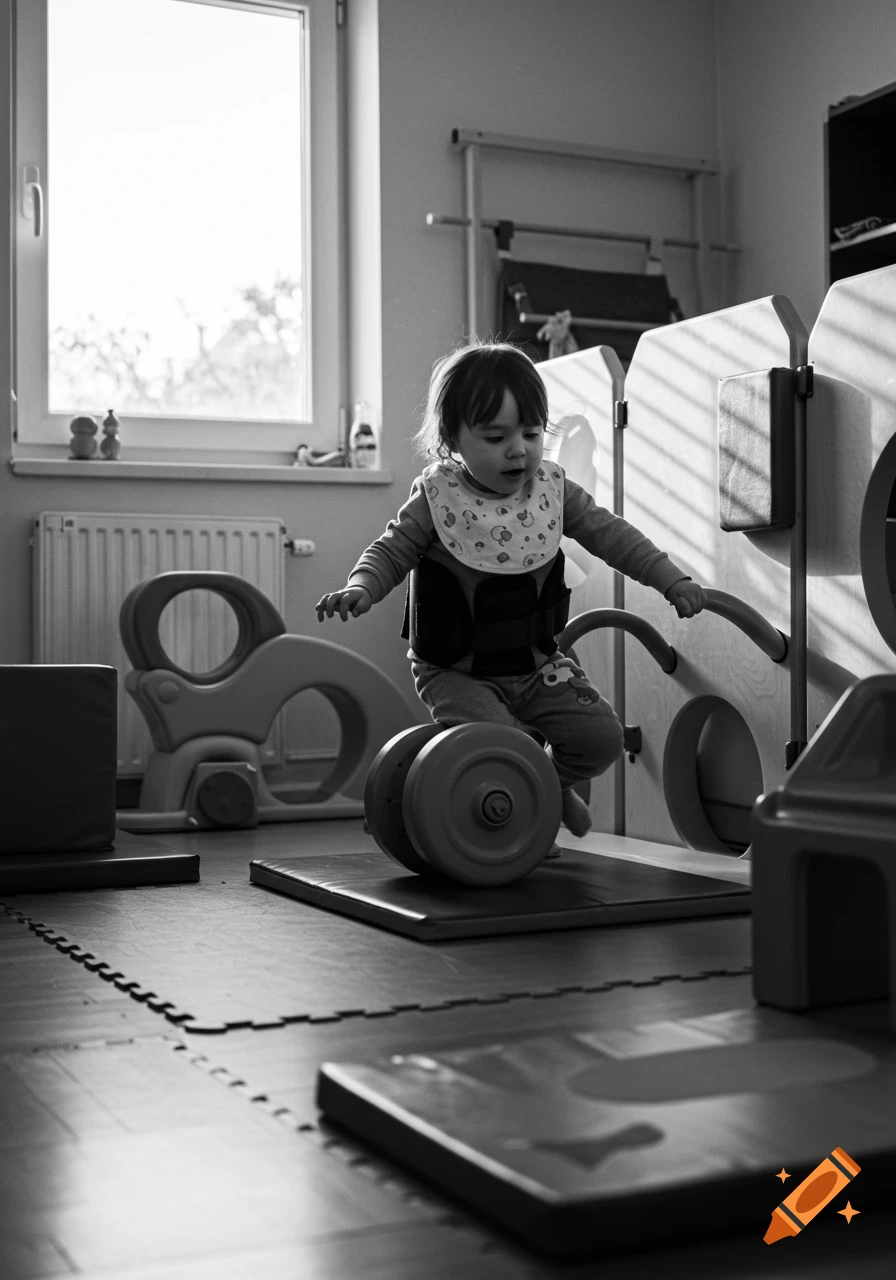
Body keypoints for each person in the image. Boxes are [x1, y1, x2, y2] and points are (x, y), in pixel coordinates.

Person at [317, 340, 705, 844]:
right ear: (451, 439)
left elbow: (614, 536)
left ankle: (546, 787)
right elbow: (390, 550)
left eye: (530, 432)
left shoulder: (552, 490)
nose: (518, 449)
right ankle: (531, 810)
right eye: (496, 436)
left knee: (600, 739)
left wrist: (669, 577)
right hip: (455, 670)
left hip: (536, 663)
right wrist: (361, 586)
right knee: (503, 750)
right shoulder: (438, 496)